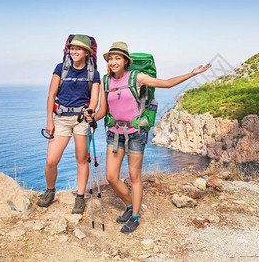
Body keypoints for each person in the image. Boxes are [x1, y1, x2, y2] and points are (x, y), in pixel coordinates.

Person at [88, 41, 211, 233]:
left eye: (117, 58)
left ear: (125, 61)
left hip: (135, 134)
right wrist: (92, 117)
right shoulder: (105, 81)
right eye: (110, 58)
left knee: (134, 176)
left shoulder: (137, 77)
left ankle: (135, 216)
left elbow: (167, 84)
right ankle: (129, 205)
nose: (113, 62)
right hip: (114, 134)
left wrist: (192, 73)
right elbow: (102, 111)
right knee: (111, 176)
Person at [37, 34, 101, 215]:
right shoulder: (61, 68)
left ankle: (80, 197)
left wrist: (90, 111)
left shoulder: (93, 73)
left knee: (81, 160)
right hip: (61, 119)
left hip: (82, 119)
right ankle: (50, 191)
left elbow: (94, 98)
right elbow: (51, 95)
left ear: (87, 52)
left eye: (78, 48)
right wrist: (49, 120)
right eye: (72, 48)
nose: (73, 51)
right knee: (51, 161)